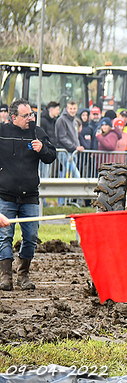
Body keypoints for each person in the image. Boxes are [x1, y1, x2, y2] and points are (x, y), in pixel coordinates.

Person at [0, 99, 57, 291]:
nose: (30, 119)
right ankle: (5, 276)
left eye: (32, 115)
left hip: (30, 196)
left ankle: (23, 275)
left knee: (31, 236)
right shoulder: (2, 133)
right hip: (5, 195)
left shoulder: (37, 132)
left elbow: (51, 156)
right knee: (4, 236)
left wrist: (43, 149)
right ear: (13, 117)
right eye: (26, 116)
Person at [55, 100, 84, 178]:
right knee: (76, 175)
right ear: (67, 109)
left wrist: (77, 146)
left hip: (73, 152)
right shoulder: (61, 120)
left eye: (74, 108)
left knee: (66, 174)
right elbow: (62, 137)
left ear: (77, 109)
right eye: (71, 108)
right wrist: (75, 147)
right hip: (64, 152)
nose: (72, 111)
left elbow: (75, 137)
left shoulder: (75, 122)